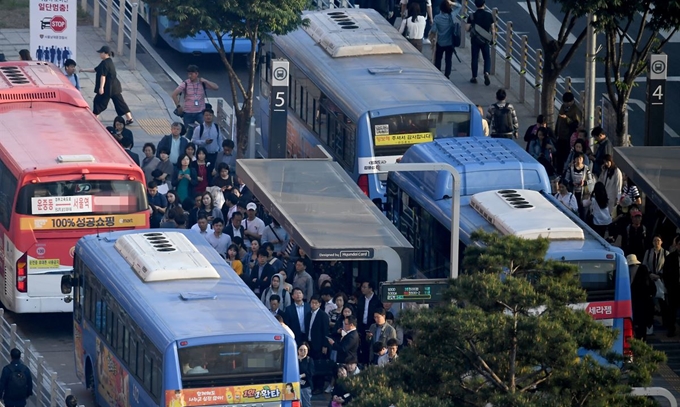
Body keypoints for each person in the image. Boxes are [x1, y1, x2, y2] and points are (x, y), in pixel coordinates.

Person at [80, 46, 134, 123]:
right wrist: (83, 70)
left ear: (106, 53)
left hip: (107, 88)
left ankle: (95, 117)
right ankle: (129, 118)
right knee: (120, 103)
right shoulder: (108, 62)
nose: (99, 54)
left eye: (101, 53)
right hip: (115, 87)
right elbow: (96, 70)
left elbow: (103, 76)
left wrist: (101, 88)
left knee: (98, 101)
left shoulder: (105, 63)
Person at [172, 65, 219, 138]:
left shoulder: (202, 83)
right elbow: (174, 94)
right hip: (188, 113)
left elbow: (216, 87)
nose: (189, 76)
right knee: (189, 133)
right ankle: (190, 147)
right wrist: (178, 106)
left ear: (197, 74)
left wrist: (206, 81)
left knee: (205, 130)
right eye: (188, 74)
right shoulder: (185, 84)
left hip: (200, 112)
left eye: (191, 74)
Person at [467, 0, 494, 85]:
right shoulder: (489, 15)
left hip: (475, 40)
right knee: (487, 58)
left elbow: (466, 28)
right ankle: (486, 72)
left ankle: (474, 77)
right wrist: (492, 39)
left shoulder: (472, 16)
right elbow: (493, 29)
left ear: (475, 5)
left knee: (474, 58)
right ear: (484, 5)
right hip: (485, 40)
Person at [429, 0, 458, 78]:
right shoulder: (451, 16)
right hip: (450, 42)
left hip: (440, 42)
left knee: (438, 58)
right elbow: (460, 7)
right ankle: (447, 75)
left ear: (440, 8)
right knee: (448, 60)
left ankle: (438, 73)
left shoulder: (437, 18)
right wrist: (452, 3)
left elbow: (434, 30)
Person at [631, 264, 656, 340]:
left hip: (638, 306)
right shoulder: (649, 281)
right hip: (647, 305)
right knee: (644, 326)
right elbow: (654, 291)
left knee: (638, 326)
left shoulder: (636, 282)